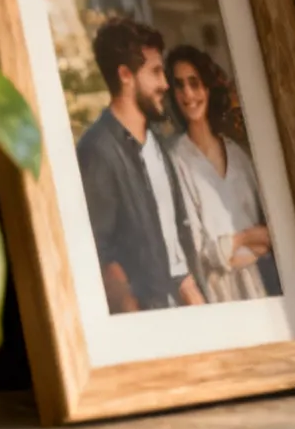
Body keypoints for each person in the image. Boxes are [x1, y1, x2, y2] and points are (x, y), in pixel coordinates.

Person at [75, 19, 207, 313]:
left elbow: (173, 247)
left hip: (182, 303)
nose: (165, 84)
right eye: (155, 72)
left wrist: (197, 302)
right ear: (125, 75)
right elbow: (100, 254)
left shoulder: (157, 143)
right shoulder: (96, 150)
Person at [166, 44, 282, 300]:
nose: (188, 94)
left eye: (194, 83)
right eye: (179, 85)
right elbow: (201, 255)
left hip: (266, 286)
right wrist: (247, 237)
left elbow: (271, 237)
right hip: (221, 296)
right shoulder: (177, 161)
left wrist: (232, 248)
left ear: (207, 88)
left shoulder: (239, 157)